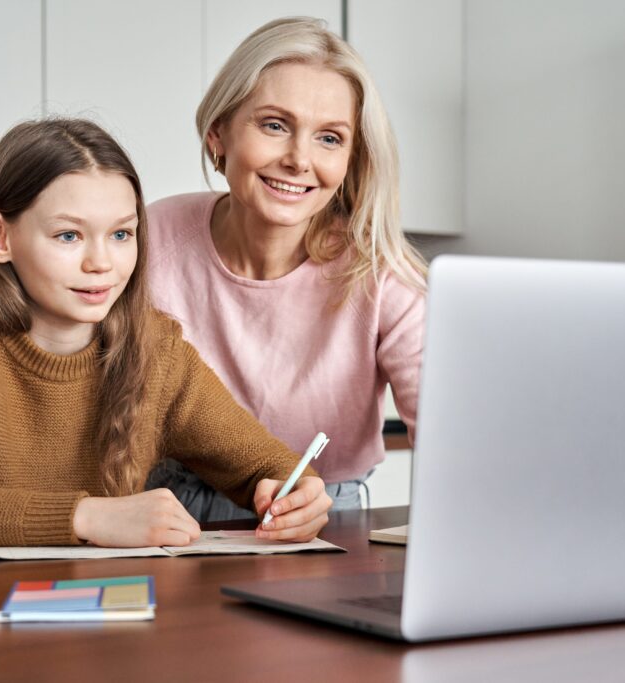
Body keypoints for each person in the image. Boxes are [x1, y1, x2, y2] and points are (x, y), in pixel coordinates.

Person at [0, 118, 332, 549]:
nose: (102, 263)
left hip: (109, 609)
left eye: (121, 235)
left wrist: (301, 494)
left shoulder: (157, 350)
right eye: (69, 236)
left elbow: (266, 465)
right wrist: (89, 517)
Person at [146, 17, 427, 520]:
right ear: (218, 134)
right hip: (168, 512)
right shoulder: (151, 238)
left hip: (333, 519)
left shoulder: (382, 275)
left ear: (349, 160)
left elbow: (446, 434)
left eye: (329, 138)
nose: (300, 160)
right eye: (275, 125)